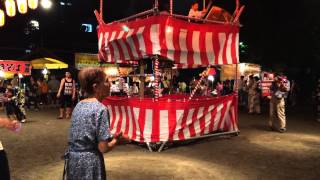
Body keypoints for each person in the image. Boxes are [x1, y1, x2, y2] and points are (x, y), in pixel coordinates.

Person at [63, 67, 122, 180]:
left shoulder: (79, 105)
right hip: (90, 163)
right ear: (96, 87)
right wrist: (116, 141)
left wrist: (109, 137)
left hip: (73, 161)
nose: (110, 84)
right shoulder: (101, 109)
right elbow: (103, 148)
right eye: (106, 81)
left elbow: (85, 134)